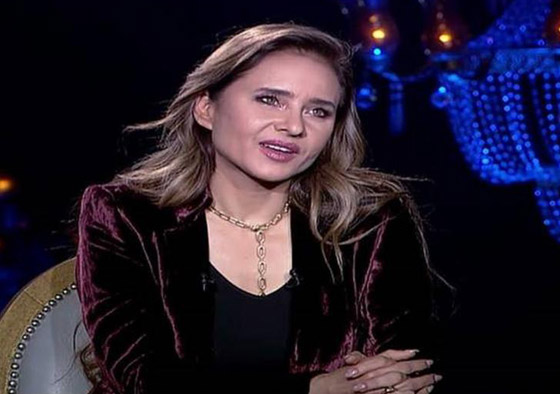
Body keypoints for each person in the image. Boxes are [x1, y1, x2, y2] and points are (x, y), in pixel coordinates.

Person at [75, 22, 447, 394]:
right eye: (270, 99)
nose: (293, 126)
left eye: (318, 111)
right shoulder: (124, 214)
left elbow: (406, 364)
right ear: (206, 109)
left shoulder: (370, 219)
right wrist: (315, 390)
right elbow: (145, 380)